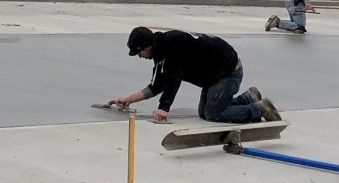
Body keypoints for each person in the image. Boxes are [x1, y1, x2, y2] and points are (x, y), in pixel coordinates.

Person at [107, 25, 281, 123]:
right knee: (204, 113)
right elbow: (157, 85)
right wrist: (128, 99)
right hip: (215, 75)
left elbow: (173, 81)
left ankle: (259, 108)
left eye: (139, 53)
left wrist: (163, 108)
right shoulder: (161, 51)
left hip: (228, 71)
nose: (139, 57)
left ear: (147, 47)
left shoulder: (172, 48)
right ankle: (249, 97)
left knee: (213, 114)